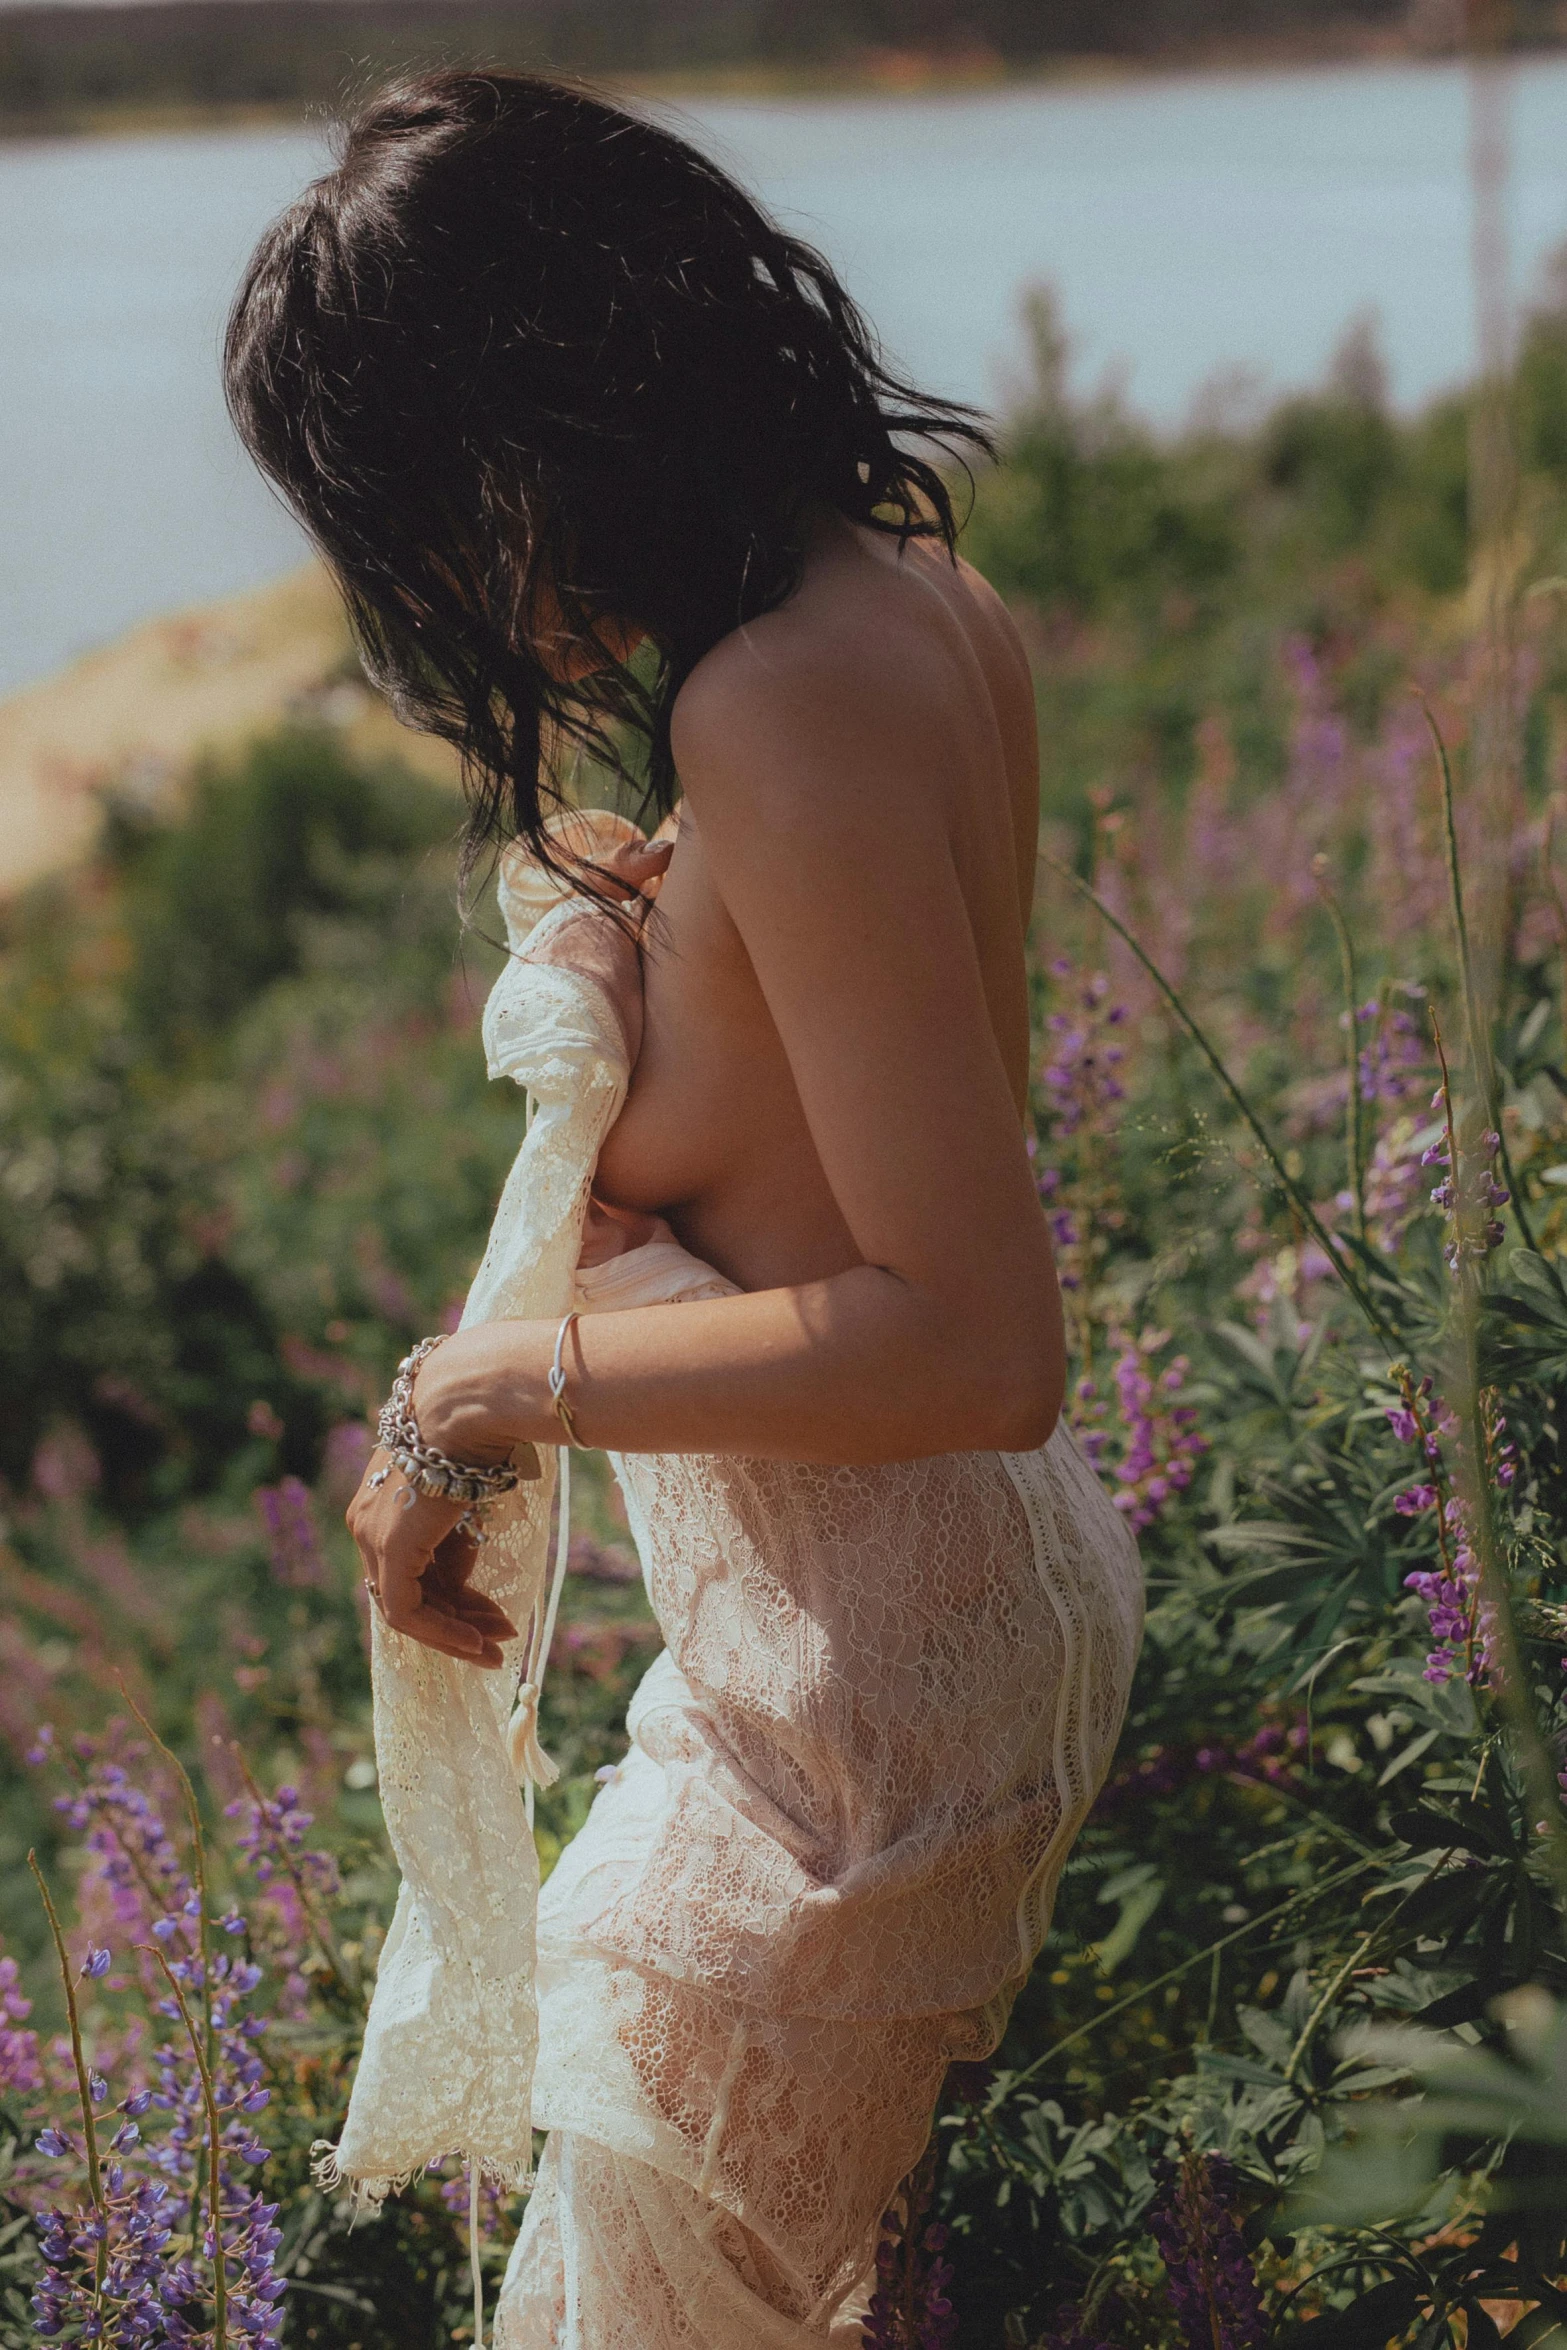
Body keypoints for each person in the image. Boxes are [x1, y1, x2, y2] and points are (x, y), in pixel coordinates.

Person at [225, 69, 1143, 2347]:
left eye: (407, 508)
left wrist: (477, 1392)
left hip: (864, 1725)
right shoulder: (898, 584)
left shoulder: (777, 702)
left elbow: (967, 1327)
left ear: (520, 430)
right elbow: (844, 1107)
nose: (422, 582)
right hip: (880, 1653)